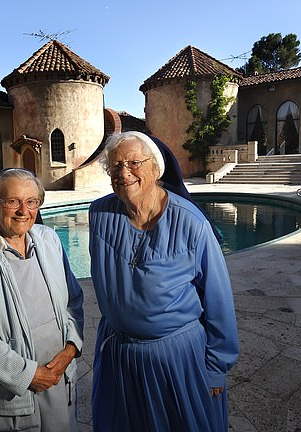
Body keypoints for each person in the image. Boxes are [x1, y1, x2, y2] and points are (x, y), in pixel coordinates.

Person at [89, 131, 239, 431]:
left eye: (134, 163)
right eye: (115, 166)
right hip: (119, 358)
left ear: (156, 169)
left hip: (176, 360)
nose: (123, 173)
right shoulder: (99, 215)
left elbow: (218, 299)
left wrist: (215, 369)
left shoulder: (191, 223)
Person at [0, 168, 84, 432]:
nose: (24, 210)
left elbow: (73, 300)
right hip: (10, 389)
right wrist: (28, 375)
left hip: (58, 376)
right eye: (12, 201)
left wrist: (71, 348)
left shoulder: (49, 240)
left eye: (31, 202)